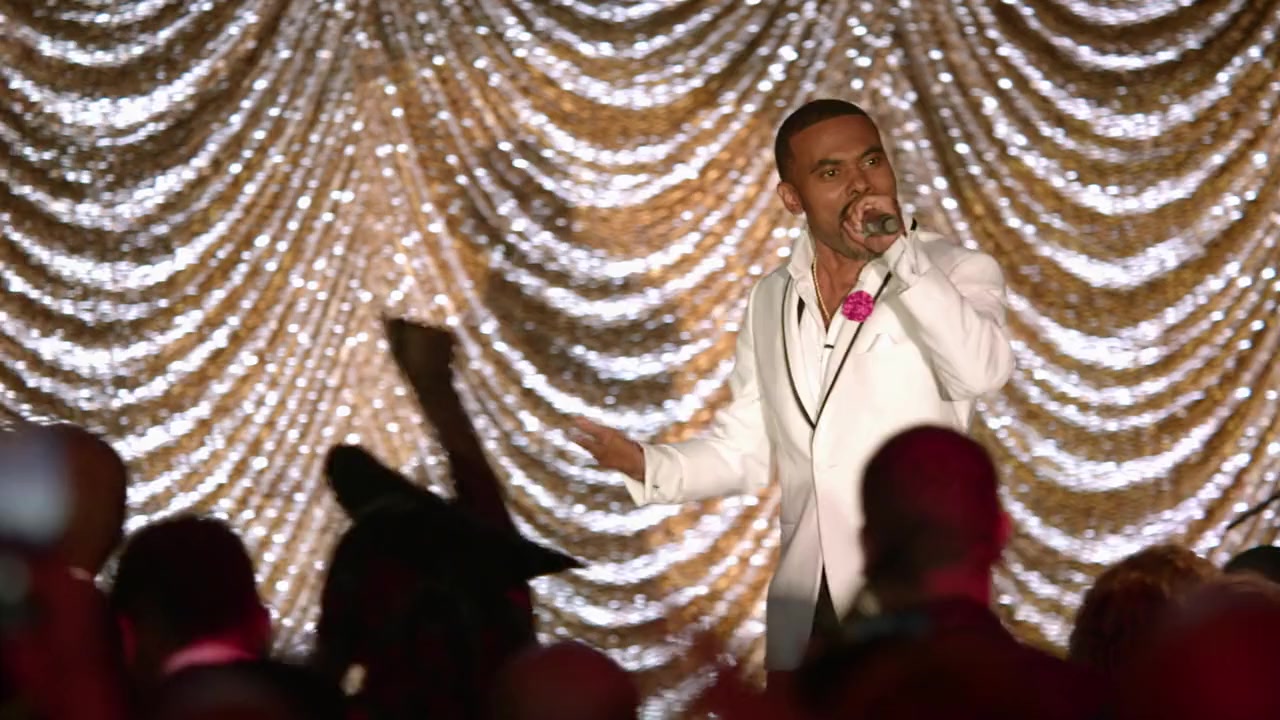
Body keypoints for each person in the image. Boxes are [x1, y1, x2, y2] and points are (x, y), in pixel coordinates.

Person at [573, 99, 1015, 671]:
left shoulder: (952, 271)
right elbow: (745, 450)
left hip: (913, 601)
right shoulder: (772, 299)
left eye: (871, 162)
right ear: (792, 197)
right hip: (810, 607)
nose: (860, 184)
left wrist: (900, 256)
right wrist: (646, 464)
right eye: (831, 173)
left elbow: (983, 371)